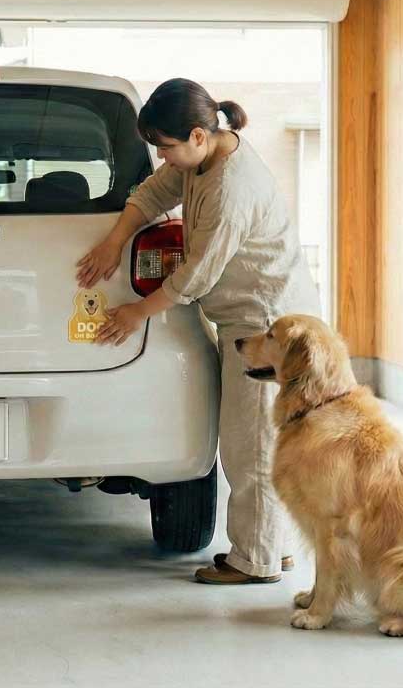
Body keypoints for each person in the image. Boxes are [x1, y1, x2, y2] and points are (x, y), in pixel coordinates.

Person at [75, 78, 321, 584]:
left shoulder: (232, 187)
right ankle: (270, 547)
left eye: (166, 147)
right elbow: (157, 190)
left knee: (249, 443)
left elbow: (195, 276)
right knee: (257, 440)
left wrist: (136, 313)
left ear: (196, 136)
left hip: (267, 324)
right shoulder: (205, 158)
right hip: (251, 317)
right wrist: (115, 241)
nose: (163, 159)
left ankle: (255, 563)